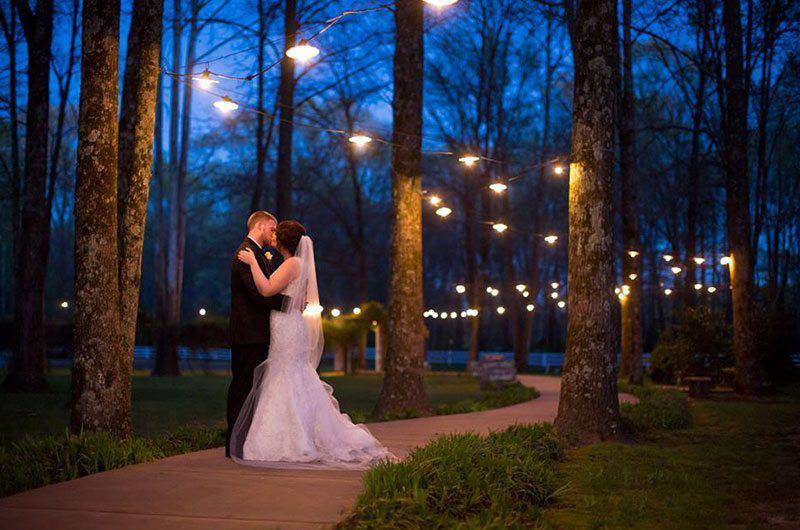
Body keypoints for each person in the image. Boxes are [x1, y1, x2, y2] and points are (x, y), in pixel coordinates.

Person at [229, 220, 395, 468]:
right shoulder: (297, 264)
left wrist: (253, 263)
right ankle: (296, 433)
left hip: (286, 326)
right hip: (288, 324)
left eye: (277, 234)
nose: (273, 237)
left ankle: (290, 439)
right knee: (290, 375)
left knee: (284, 375)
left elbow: (265, 290)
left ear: (284, 241)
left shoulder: (293, 264)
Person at [226, 211, 286, 458]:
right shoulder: (245, 254)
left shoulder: (258, 254)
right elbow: (257, 294)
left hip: (256, 334)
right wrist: (289, 305)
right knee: (242, 386)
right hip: (248, 334)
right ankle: (235, 443)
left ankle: (245, 441)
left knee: (252, 388)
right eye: (272, 229)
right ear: (259, 226)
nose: (274, 234)